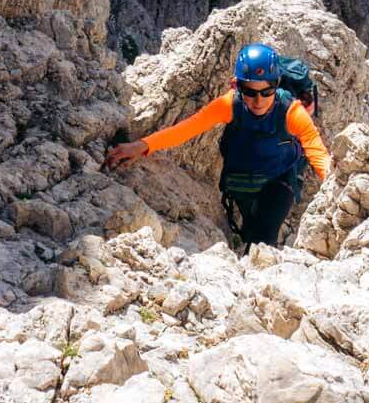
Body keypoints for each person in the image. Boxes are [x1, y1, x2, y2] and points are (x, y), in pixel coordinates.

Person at [105, 42, 330, 251]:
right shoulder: (229, 104)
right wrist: (141, 146)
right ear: (237, 86)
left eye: (266, 92)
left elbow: (316, 151)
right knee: (250, 232)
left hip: (281, 180)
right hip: (242, 181)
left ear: (276, 85)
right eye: (250, 92)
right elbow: (185, 129)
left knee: (264, 237)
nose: (258, 100)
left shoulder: (292, 111)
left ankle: (257, 281)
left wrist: (334, 184)